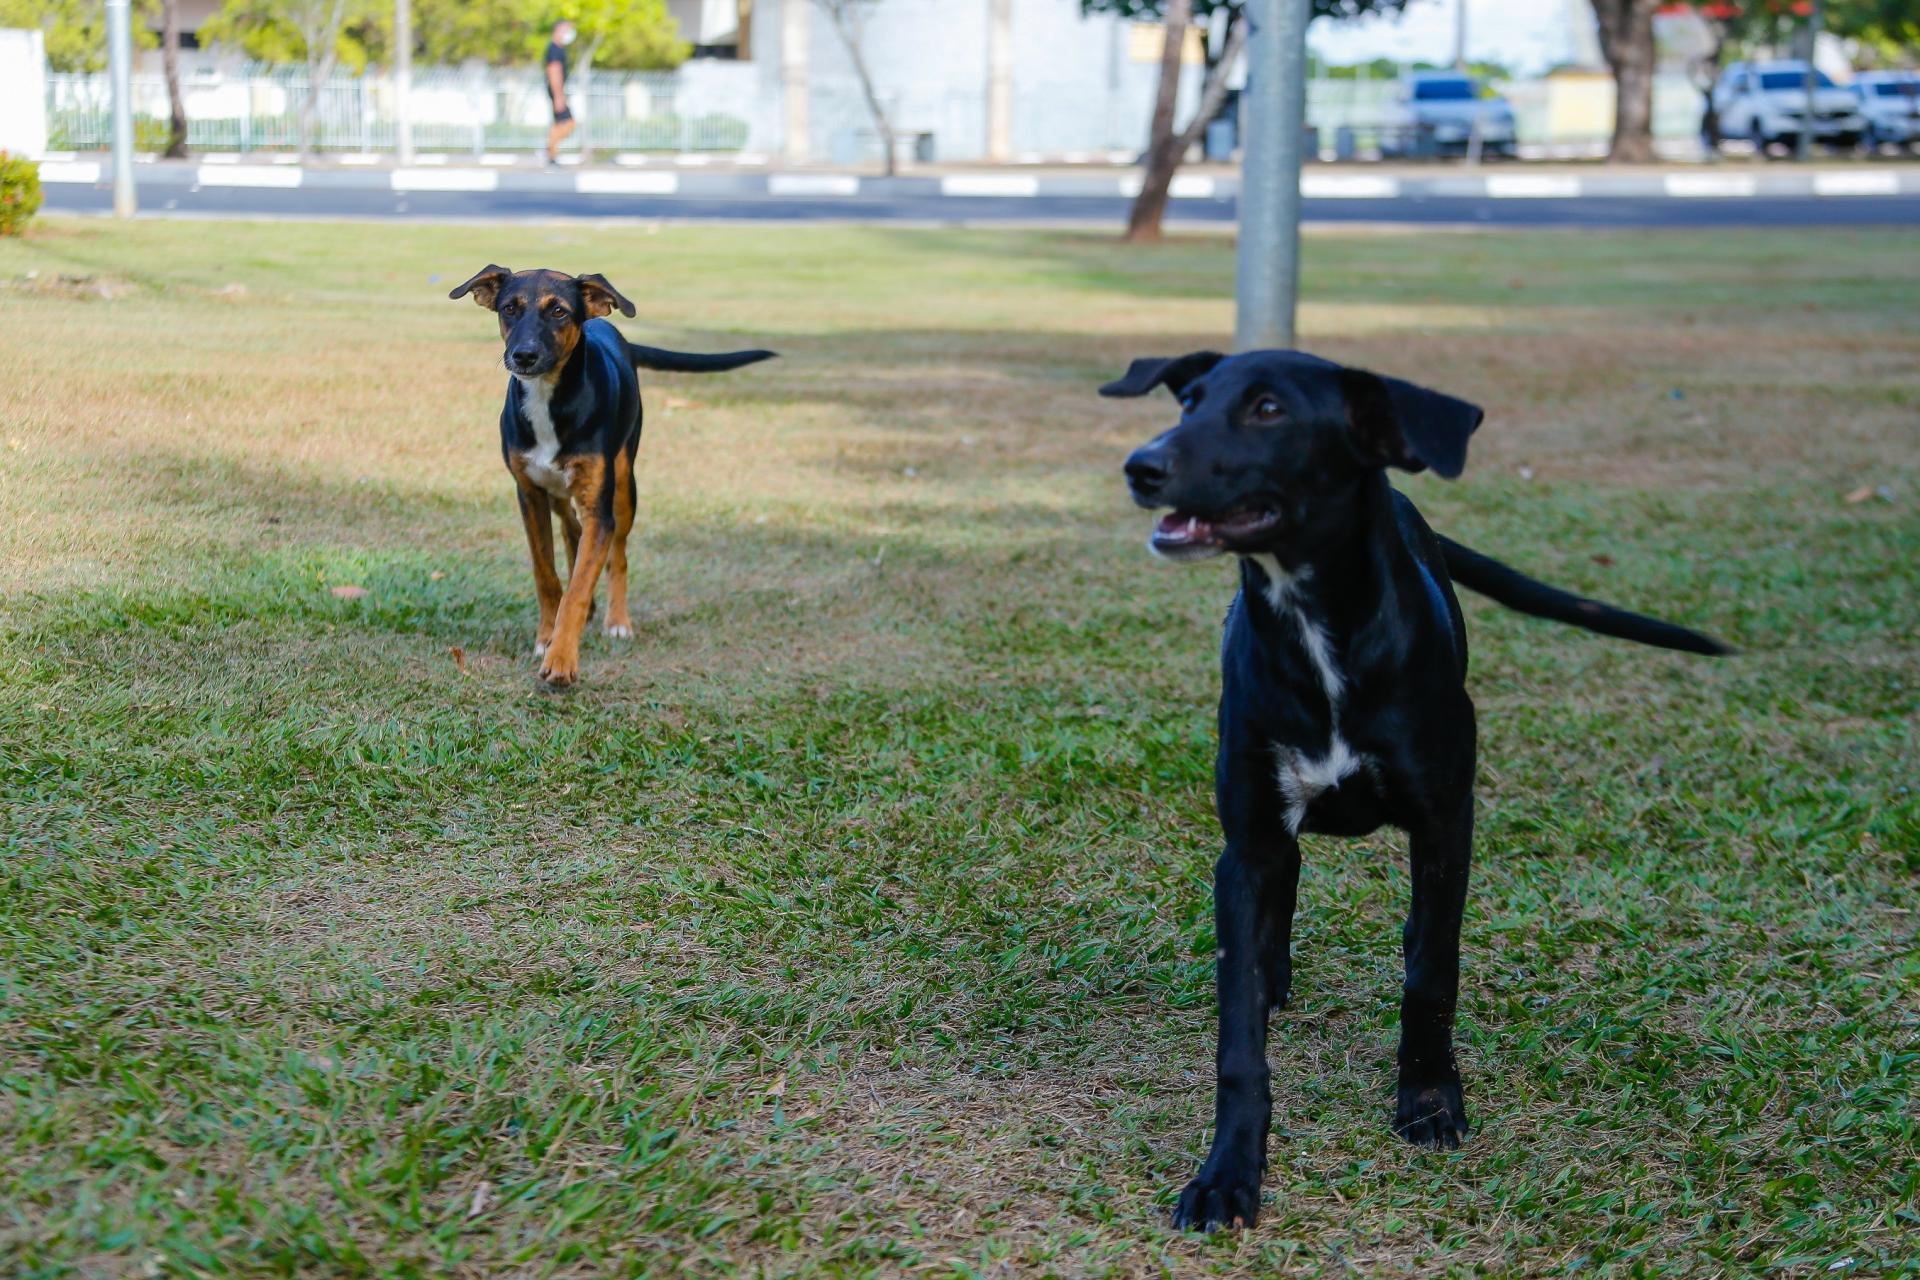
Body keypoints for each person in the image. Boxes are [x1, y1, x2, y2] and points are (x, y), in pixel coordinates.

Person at [544, 20, 577, 166]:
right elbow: (554, 72)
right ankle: (550, 149)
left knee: (559, 124)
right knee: (568, 123)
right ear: (559, 30)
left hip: (558, 91)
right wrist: (559, 96)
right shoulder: (555, 49)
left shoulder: (558, 48)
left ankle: (552, 153)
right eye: (567, 29)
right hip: (557, 91)